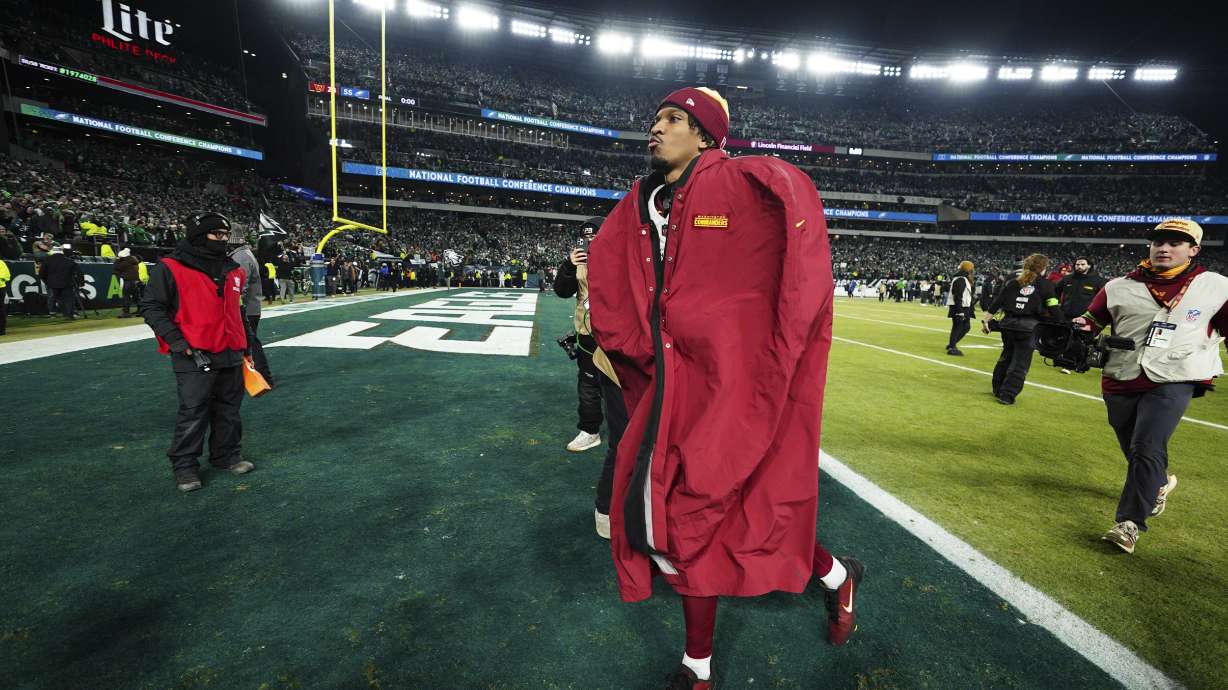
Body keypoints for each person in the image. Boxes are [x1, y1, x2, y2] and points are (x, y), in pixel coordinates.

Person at [587, 87, 863, 689]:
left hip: (732, 382)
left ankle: (838, 577)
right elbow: (618, 267)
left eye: (673, 119)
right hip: (673, 385)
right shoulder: (646, 202)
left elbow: (785, 254)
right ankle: (699, 666)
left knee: (743, 511)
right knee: (693, 514)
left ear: (707, 135)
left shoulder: (738, 187)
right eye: (655, 117)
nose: (655, 129)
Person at [1074, 219, 1227, 554]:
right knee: (1131, 443)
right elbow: (1093, 320)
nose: (1164, 248)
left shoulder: (1216, 286)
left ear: (1194, 250)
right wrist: (1079, 327)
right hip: (1120, 376)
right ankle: (1157, 482)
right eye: (1159, 241)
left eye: (1175, 243)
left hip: (1176, 376)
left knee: (1146, 444)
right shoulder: (1118, 286)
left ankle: (1129, 524)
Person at [140, 212, 254, 492]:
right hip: (194, 352)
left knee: (229, 410)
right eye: (218, 235)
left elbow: (238, 312)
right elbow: (152, 307)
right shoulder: (170, 267)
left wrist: (248, 348)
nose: (224, 240)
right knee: (193, 412)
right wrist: (178, 343)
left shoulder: (233, 269)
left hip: (231, 349)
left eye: (226, 235)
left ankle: (226, 456)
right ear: (199, 235)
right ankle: (185, 466)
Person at [554, 217, 627, 539]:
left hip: (618, 335)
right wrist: (569, 267)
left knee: (619, 389)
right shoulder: (577, 261)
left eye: (595, 235)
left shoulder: (624, 255)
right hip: (587, 333)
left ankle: (623, 434)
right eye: (587, 237)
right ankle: (590, 430)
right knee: (587, 385)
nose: (590, 242)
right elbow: (561, 290)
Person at [981, 253, 1064, 405]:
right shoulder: (1046, 285)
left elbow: (997, 302)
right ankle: (1008, 394)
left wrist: (985, 321)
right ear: (1043, 268)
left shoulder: (1013, 283)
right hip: (1028, 329)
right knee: (1020, 363)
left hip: (1008, 326)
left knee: (1006, 356)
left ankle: (998, 388)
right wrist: (1063, 325)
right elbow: (1054, 308)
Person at [229, 229, 275, 388]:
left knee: (251, 343)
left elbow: (241, 284)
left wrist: (234, 305)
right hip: (251, 306)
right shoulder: (245, 254)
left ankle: (263, 377)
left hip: (246, 308)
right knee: (249, 343)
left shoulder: (240, 257)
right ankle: (259, 375)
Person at [39, 244, 78, 319]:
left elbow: (42, 273)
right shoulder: (69, 260)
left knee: (52, 298)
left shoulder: (47, 260)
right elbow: (76, 272)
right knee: (68, 298)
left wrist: (47, 281)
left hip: (52, 283)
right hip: (66, 283)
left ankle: (52, 313)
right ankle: (70, 313)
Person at [945, 260, 976, 356]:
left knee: (965, 327)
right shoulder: (961, 279)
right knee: (958, 327)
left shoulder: (962, 279)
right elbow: (958, 296)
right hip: (960, 307)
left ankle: (952, 344)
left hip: (963, 307)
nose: (973, 271)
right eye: (971, 269)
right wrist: (960, 311)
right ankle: (952, 347)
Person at [113, 248, 143, 318]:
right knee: (136, 297)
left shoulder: (123, 263)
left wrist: (117, 260)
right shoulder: (134, 261)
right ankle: (141, 311)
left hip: (127, 281)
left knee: (126, 297)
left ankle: (126, 313)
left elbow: (115, 269)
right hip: (135, 281)